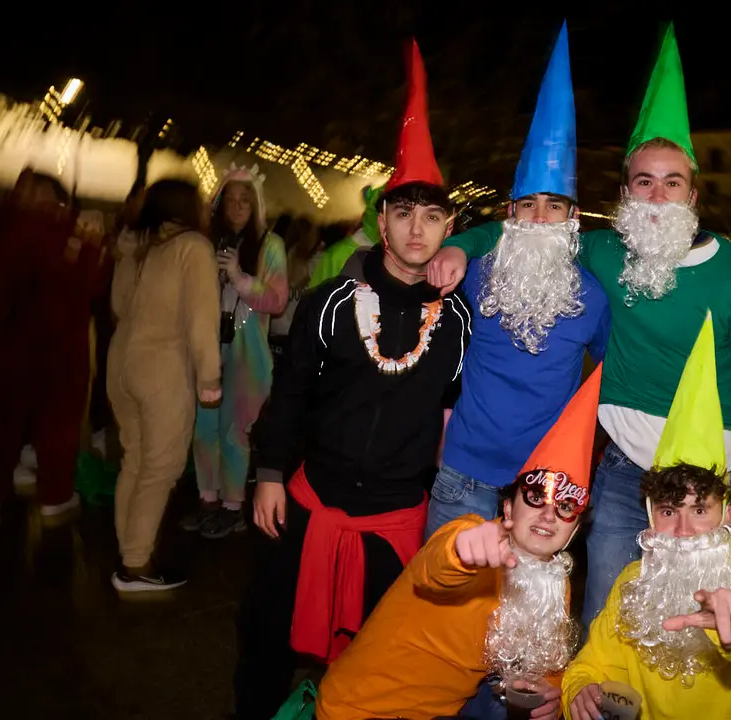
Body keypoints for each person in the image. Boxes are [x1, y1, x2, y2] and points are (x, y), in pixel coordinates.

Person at [428, 23, 731, 628]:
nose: (656, 198)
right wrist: (464, 245)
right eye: (643, 182)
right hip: (622, 472)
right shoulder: (603, 253)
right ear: (625, 192)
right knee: (603, 614)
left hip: (706, 481)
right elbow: (530, 229)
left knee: (697, 624)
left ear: (693, 197)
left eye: (670, 184)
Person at [234, 39, 472, 720]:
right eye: (403, 213)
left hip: (399, 521)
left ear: (448, 226)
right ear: (382, 221)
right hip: (311, 503)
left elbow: (454, 409)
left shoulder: (456, 317)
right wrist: (272, 474)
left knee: (376, 662)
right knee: (264, 637)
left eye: (432, 216)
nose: (416, 228)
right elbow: (293, 391)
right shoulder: (331, 301)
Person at [315, 366, 602, 720]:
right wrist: (462, 551)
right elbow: (434, 569)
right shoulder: (474, 535)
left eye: (565, 508)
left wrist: (553, 691)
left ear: (574, 529)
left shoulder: (554, 583)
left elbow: (544, 660)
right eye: (534, 498)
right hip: (358, 709)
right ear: (508, 506)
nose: (548, 515)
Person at [563, 316, 731, 720]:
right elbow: (593, 663)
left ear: (729, 514)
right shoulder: (632, 583)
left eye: (699, 510)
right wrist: (582, 688)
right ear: (648, 518)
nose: (682, 532)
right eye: (668, 511)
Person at [426, 22, 609, 537]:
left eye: (554, 207)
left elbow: (609, 378)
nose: (539, 219)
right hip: (464, 476)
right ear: (510, 213)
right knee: (442, 610)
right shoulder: (475, 272)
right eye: (528, 206)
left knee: (528, 617)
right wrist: (462, 242)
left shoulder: (592, 297)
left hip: (545, 486)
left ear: (572, 219)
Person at [0, 170, 108, 523]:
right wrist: (91, 243)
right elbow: (92, 285)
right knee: (58, 424)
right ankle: (54, 499)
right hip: (58, 348)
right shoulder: (59, 227)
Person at [107, 179, 222, 591]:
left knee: (135, 460)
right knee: (161, 468)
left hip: (121, 363)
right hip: (163, 368)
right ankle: (135, 566)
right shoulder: (192, 247)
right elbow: (201, 320)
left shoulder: (136, 246)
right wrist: (210, 377)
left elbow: (117, 306)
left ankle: (129, 551)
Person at [182, 166, 289, 539]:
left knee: (234, 433)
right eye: (231, 200)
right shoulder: (205, 243)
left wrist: (241, 278)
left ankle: (232, 506)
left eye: (246, 201)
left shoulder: (270, 246)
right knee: (203, 430)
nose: (238, 208)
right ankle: (207, 501)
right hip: (210, 351)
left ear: (256, 206)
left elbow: (276, 300)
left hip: (249, 357)